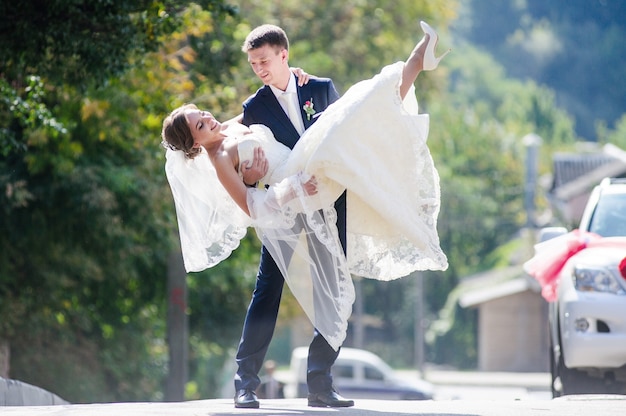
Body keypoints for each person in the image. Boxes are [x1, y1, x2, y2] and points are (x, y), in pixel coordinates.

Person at [162, 21, 449, 409]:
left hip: (329, 198)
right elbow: (228, 153)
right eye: (253, 64)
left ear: (284, 55)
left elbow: (230, 134)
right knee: (268, 291)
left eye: (265, 61)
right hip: (284, 207)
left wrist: (249, 159)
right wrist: (252, 173)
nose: (260, 70)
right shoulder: (254, 107)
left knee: (332, 288)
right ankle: (245, 382)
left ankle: (320, 384)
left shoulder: (318, 87)